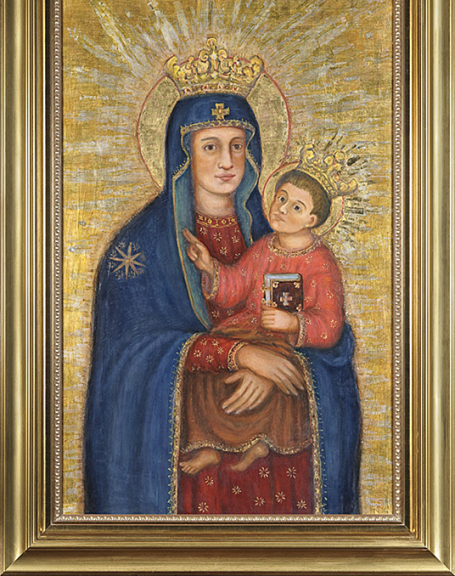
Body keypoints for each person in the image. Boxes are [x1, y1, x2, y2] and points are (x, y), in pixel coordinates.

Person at [84, 42, 361, 515]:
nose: (227, 161)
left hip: (278, 460)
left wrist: (277, 370)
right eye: (210, 146)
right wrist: (240, 354)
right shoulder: (140, 248)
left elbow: (332, 338)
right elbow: (128, 356)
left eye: (237, 145)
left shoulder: (274, 237)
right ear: (183, 155)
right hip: (184, 458)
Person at [179, 168, 345, 477]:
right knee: (205, 370)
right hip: (246, 329)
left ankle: (262, 442)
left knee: (284, 380)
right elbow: (235, 285)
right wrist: (209, 267)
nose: (282, 209)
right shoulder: (263, 247)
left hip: (284, 342)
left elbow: (330, 322)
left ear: (311, 219)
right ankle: (208, 444)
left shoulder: (321, 261)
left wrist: (293, 323)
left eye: (296, 206)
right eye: (281, 198)